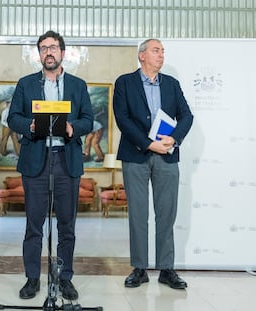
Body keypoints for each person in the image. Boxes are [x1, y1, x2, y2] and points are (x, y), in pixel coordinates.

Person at [7, 30, 94, 300]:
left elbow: (88, 120)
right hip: (36, 158)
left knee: (67, 225)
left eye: (53, 47)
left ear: (63, 53)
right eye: (44, 48)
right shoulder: (26, 84)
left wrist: (71, 127)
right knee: (34, 224)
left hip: (66, 159)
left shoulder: (78, 85)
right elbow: (13, 118)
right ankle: (32, 278)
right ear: (39, 54)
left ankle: (65, 277)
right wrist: (30, 125)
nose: (49, 52)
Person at [113, 38, 193, 290]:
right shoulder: (125, 82)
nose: (161, 55)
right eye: (156, 50)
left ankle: (167, 269)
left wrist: (174, 138)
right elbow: (122, 119)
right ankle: (139, 268)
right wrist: (148, 144)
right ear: (142, 56)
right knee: (138, 214)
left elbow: (186, 115)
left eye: (162, 51)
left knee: (166, 213)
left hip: (167, 155)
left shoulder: (171, 84)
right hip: (136, 155)